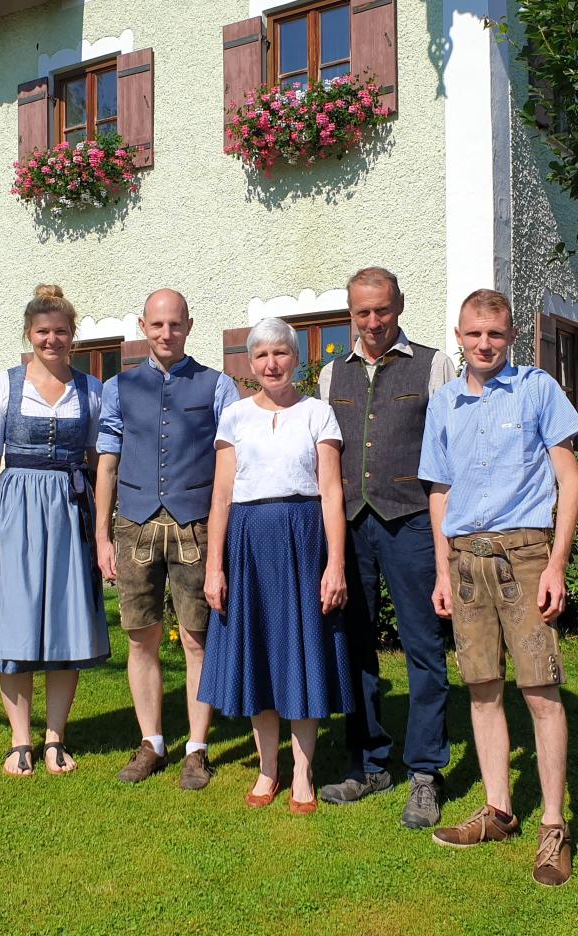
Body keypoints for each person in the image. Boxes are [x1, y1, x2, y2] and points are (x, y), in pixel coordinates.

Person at [418, 288, 578, 886]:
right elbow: (438, 491)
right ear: (459, 337)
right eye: (473, 333)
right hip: (464, 562)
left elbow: (569, 477)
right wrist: (441, 569)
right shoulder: (444, 403)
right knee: (483, 689)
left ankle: (555, 827)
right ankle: (499, 811)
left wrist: (558, 564)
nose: (483, 344)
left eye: (494, 334)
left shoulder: (538, 389)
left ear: (511, 337)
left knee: (540, 692)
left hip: (527, 557)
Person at [316, 266, 456, 829]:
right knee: (355, 649)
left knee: (424, 649)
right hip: (351, 527)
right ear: (350, 314)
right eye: (362, 313)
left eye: (382, 310)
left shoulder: (434, 365)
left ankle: (425, 772)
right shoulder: (330, 375)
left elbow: (448, 449)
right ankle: (370, 762)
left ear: (399, 305)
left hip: (413, 523)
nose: (373, 322)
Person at [198, 317, 355, 814]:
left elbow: (332, 492)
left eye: (281, 354)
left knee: (301, 651)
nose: (272, 364)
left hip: (303, 538)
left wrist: (335, 564)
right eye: (262, 355)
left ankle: (304, 773)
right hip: (247, 542)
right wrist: (214, 567)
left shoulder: (318, 414)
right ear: (251, 363)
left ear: (296, 358)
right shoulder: (236, 418)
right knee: (261, 654)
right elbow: (221, 496)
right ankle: (269, 769)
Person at [94, 289, 240, 789]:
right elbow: (107, 461)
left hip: (195, 524)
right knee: (141, 638)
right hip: (133, 522)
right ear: (143, 325)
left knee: (198, 638)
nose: (165, 333)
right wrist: (101, 534)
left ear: (189, 325)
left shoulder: (218, 386)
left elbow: (231, 462)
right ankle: (151, 742)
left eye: (174, 325)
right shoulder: (117, 388)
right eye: (156, 325)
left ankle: (197, 748)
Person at [0, 284, 110, 777]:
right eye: (43, 332)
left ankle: (55, 739)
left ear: (73, 337)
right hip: (16, 510)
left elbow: (101, 461)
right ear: (29, 335)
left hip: (71, 510)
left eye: (61, 332)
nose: (52, 340)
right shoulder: (3, 385)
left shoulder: (92, 390)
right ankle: (19, 740)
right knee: (17, 620)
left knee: (66, 620)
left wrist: (103, 528)